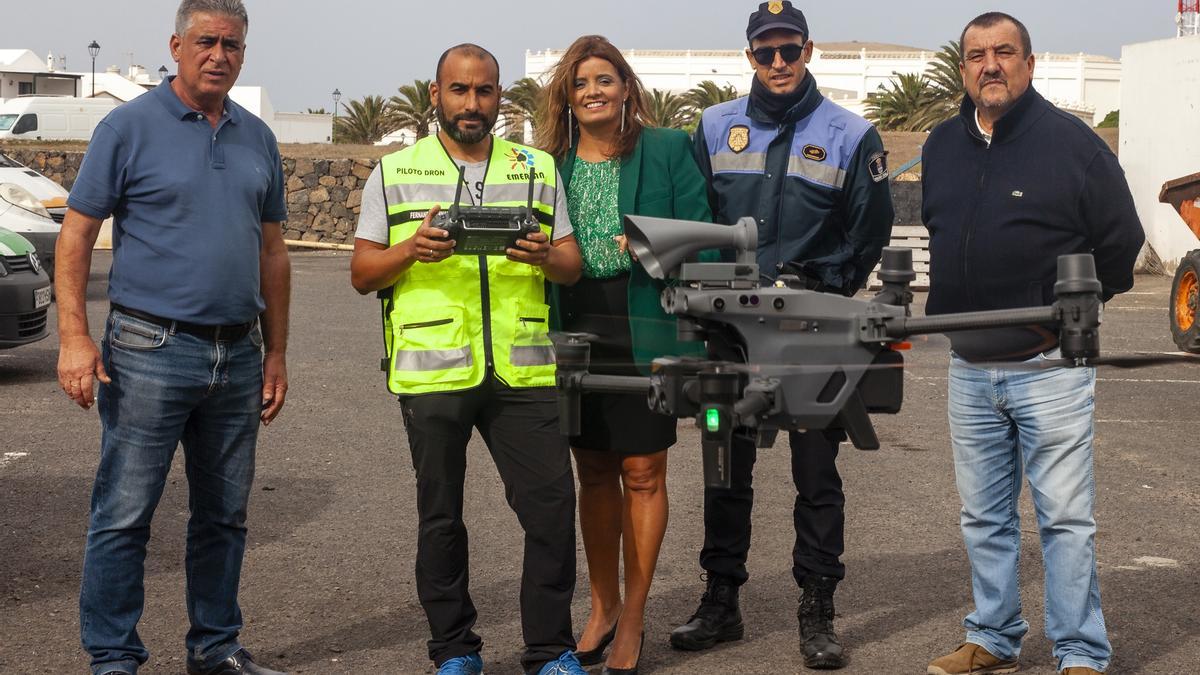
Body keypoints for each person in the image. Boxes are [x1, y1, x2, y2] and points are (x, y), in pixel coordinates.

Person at [54, 1, 292, 674]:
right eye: (207, 41)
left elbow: (273, 250)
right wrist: (74, 337)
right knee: (125, 513)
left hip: (239, 353)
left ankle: (214, 647)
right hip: (148, 348)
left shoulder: (257, 138)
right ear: (177, 46)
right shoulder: (127, 127)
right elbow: (77, 234)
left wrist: (276, 350)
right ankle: (113, 656)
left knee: (225, 516)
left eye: (233, 44)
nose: (220, 54)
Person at [349, 44, 587, 675]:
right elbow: (362, 273)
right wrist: (410, 251)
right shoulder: (393, 172)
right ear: (436, 96)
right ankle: (455, 651)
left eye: (484, 92)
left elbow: (571, 265)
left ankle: (550, 650)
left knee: (551, 510)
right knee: (442, 518)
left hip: (523, 369)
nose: (472, 104)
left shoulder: (536, 168)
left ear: (499, 98)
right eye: (459, 90)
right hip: (434, 372)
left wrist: (543, 255)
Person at [921, 12, 1144, 675]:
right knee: (983, 518)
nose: (990, 65)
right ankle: (993, 635)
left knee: (1065, 520)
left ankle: (1080, 651)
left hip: (1049, 364)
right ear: (963, 67)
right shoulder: (939, 144)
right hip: (968, 365)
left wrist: (1067, 313)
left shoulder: (1074, 144)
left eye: (1005, 52)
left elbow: (1122, 243)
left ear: (1029, 62)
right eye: (977, 54)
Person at [673, 2, 894, 669]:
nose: (777, 63)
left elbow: (870, 229)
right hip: (729, 330)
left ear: (807, 51)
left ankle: (817, 608)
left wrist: (828, 292)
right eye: (765, 52)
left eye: (788, 50)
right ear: (749, 56)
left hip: (812, 331)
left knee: (816, 472)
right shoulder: (713, 127)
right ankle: (721, 600)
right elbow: (695, 217)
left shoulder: (852, 134)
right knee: (723, 464)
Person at [534, 35, 713, 675]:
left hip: (647, 326)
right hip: (575, 326)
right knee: (593, 473)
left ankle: (635, 612)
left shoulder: (666, 149)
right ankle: (602, 605)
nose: (593, 92)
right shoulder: (545, 162)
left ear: (626, 89)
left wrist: (653, 249)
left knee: (642, 471)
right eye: (580, 83)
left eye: (604, 80)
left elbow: (707, 242)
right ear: (567, 96)